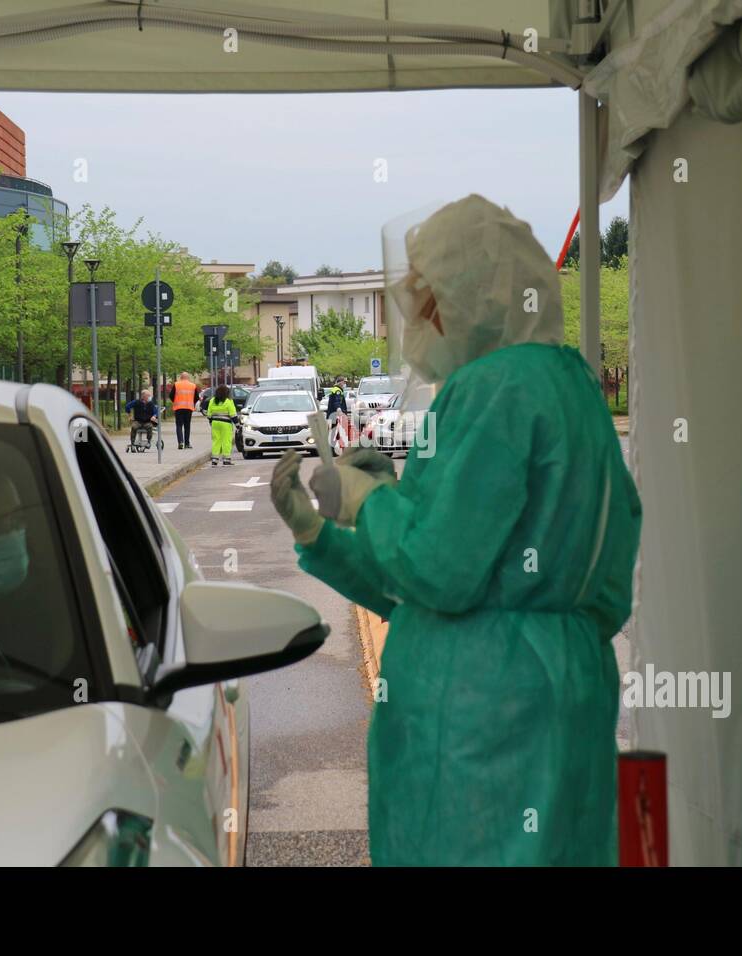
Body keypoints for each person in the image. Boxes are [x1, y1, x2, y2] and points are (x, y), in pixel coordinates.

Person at [270, 195, 641, 866]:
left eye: (427, 302)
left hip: (483, 716)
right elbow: (440, 588)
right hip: (563, 690)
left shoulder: (491, 388)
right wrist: (325, 535)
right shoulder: (573, 387)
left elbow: (437, 571)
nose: (418, 322)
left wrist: (369, 502)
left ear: (472, 299)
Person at [203, 384, 239, 467]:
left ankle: (214, 460)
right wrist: (238, 425)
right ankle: (226, 460)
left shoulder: (212, 400)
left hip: (215, 423)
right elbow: (233, 414)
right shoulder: (228, 401)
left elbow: (209, 414)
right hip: (225, 424)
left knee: (216, 441)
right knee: (226, 441)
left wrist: (211, 422)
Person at [168, 372, 197, 449]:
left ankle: (180, 442)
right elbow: (196, 397)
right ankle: (187, 443)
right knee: (187, 426)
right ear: (188, 378)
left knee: (179, 425)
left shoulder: (177, 384)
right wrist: (192, 402)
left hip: (179, 408)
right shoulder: (193, 385)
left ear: (181, 377)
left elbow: (171, 395)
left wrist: (176, 401)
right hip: (189, 408)